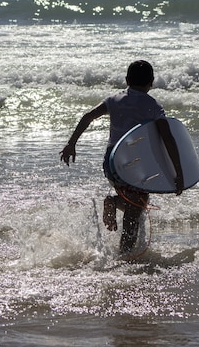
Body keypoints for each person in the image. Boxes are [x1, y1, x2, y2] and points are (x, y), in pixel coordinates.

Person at [60, 60, 184, 255]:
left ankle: (113, 203)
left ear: (126, 80)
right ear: (151, 82)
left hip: (113, 164)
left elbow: (87, 116)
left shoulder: (114, 99)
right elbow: (167, 138)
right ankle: (125, 258)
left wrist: (71, 143)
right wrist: (178, 171)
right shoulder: (153, 106)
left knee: (133, 204)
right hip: (137, 167)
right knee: (134, 212)